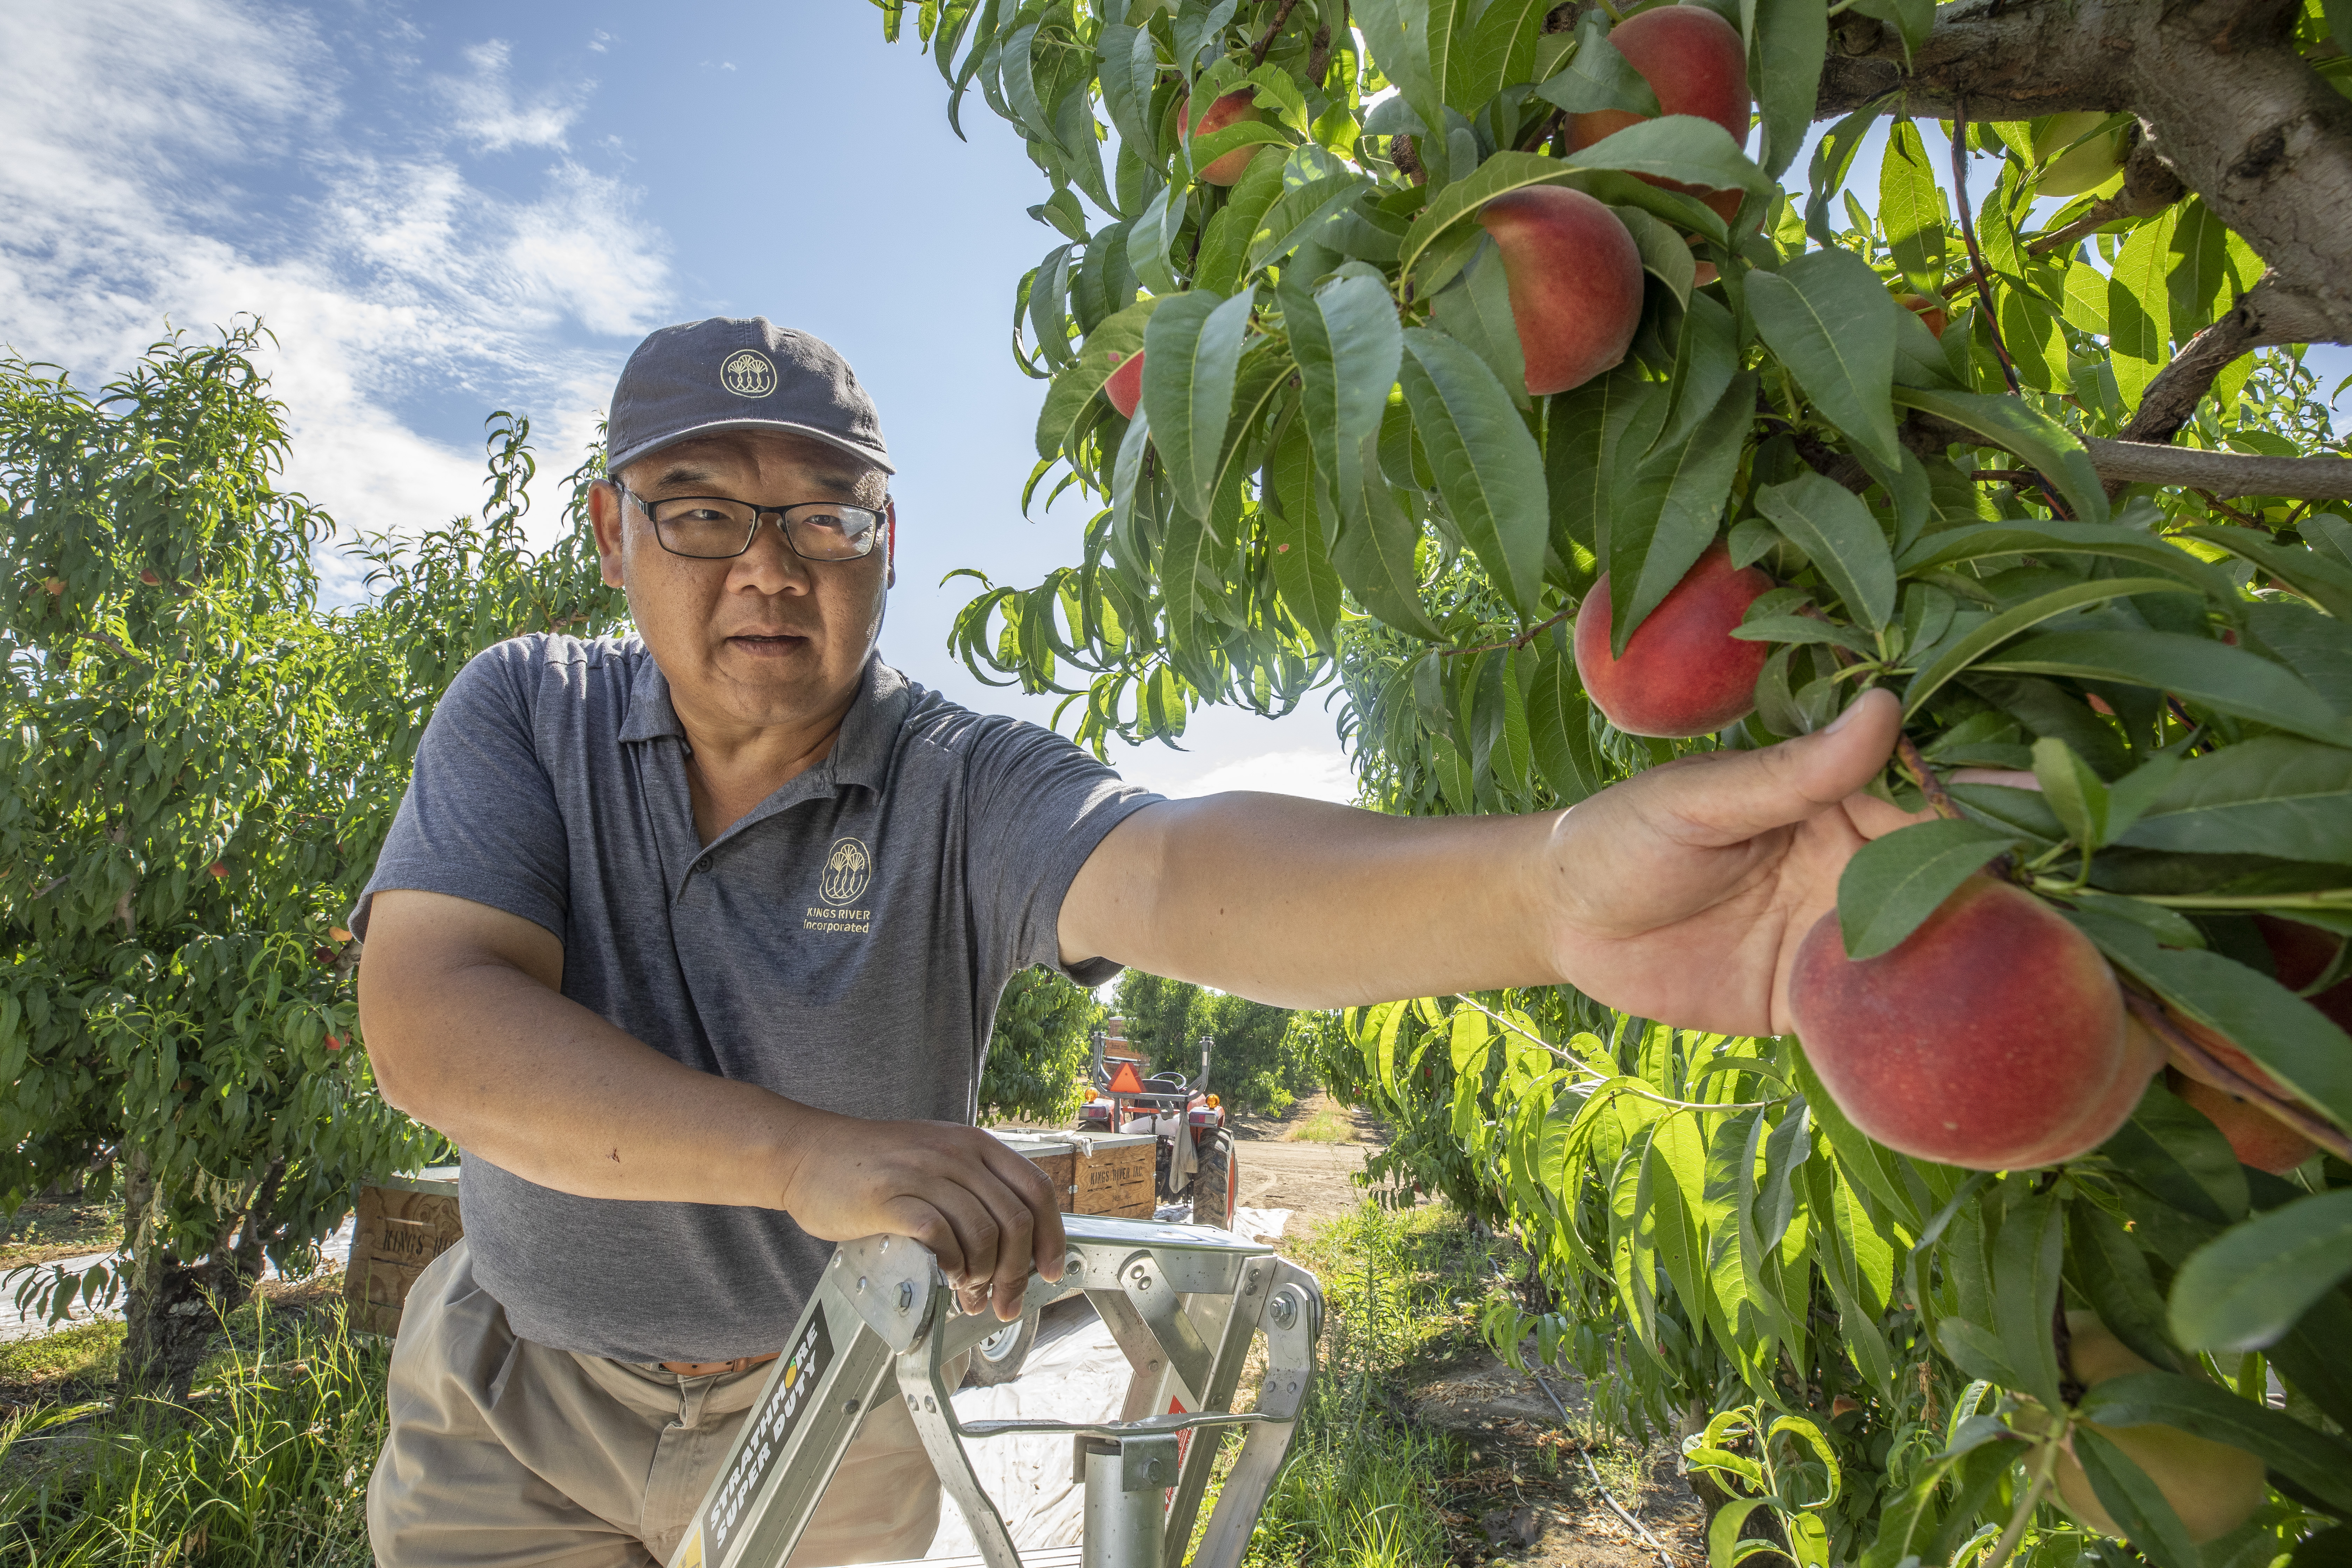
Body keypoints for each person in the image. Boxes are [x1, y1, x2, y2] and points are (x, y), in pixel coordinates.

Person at [356, 316, 1910, 1567]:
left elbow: (1178, 867)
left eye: (822, 515)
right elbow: (434, 1020)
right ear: (611, 530)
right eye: (701, 513)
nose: (768, 566)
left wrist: (1548, 890)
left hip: (832, 1394)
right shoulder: (525, 710)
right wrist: (801, 1156)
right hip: (515, 1387)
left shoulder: (956, 780)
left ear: (886, 542)